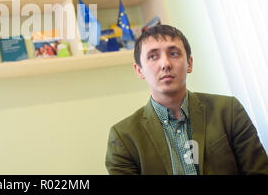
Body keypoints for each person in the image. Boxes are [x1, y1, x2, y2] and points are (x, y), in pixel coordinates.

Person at [105, 24, 268, 175]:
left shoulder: (228, 110)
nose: (165, 64)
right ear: (139, 70)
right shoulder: (123, 138)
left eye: (173, 53)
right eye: (153, 56)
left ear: (189, 63)